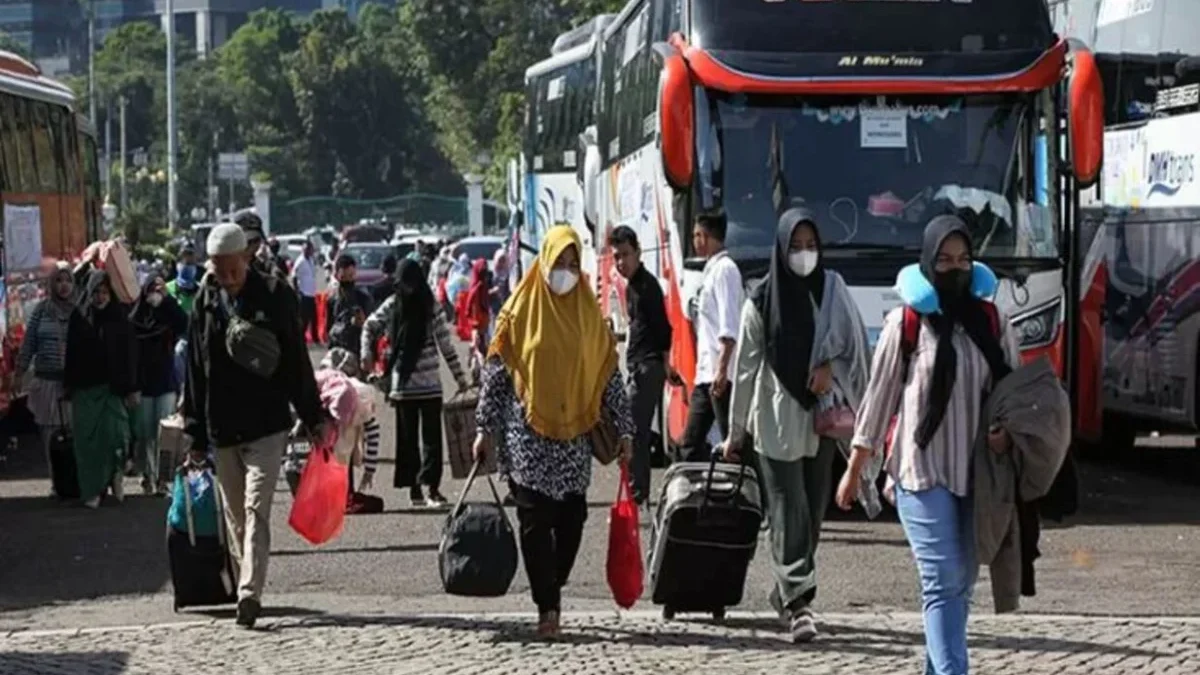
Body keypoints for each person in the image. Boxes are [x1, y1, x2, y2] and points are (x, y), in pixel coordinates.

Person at [838, 215, 1019, 675]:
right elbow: (878, 401)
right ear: (927, 262)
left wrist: (1009, 432)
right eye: (944, 260)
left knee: (961, 585)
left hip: (977, 473)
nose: (954, 269)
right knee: (940, 582)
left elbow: (1014, 394)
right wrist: (855, 467)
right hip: (920, 471)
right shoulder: (907, 323)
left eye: (963, 260)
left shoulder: (994, 323)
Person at [473, 225, 634, 637]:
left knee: (572, 521)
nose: (563, 272)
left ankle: (552, 584)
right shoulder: (518, 311)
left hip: (574, 439)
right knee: (534, 521)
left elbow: (609, 376)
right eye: (557, 263)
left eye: (571, 264)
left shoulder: (589, 317)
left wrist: (627, 431)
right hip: (526, 435)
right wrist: (484, 428)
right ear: (542, 261)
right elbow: (496, 375)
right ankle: (548, 606)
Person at [721, 208, 870, 643]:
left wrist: (827, 365)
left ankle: (786, 591)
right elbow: (745, 374)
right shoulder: (760, 302)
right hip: (773, 421)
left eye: (811, 246)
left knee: (812, 513)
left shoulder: (832, 290)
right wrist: (735, 433)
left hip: (819, 419)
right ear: (781, 249)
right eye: (796, 247)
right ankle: (800, 604)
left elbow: (854, 345)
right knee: (787, 513)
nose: (804, 255)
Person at [184, 224, 327, 628]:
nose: (227, 278)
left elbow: (297, 359)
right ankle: (248, 576)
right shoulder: (204, 302)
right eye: (219, 270)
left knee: (256, 506)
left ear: (246, 257)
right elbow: (195, 370)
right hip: (222, 426)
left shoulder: (275, 293)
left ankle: (249, 592)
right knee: (237, 517)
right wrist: (194, 433)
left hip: (267, 423)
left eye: (233, 269)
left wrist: (312, 416)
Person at [361, 259, 469, 508]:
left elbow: (445, 344)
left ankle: (433, 488)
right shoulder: (393, 305)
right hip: (404, 384)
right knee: (407, 441)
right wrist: (366, 352)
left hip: (430, 383)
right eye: (403, 284)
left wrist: (460, 378)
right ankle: (414, 489)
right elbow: (369, 325)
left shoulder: (431, 306)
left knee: (432, 440)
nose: (407, 289)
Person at [608, 225, 675, 507]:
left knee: (634, 431)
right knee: (634, 429)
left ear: (637, 252)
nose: (621, 262)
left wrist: (665, 365)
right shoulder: (634, 286)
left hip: (647, 368)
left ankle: (637, 495)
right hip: (639, 366)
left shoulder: (647, 287)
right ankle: (638, 493)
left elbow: (663, 330)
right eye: (616, 257)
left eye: (625, 254)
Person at [64, 270, 139, 508]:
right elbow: (72, 355)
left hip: (112, 389)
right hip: (85, 390)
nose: (100, 297)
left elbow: (129, 356)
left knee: (116, 437)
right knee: (88, 444)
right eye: (95, 292)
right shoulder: (79, 317)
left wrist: (132, 388)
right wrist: (68, 387)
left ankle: (115, 476)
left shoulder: (120, 318)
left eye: (105, 292)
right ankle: (92, 490)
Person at [681, 209, 743, 461]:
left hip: (721, 376)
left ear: (706, 237)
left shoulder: (725, 270)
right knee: (691, 443)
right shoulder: (711, 270)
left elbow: (729, 325)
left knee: (732, 445)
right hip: (706, 373)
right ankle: (699, 493)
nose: (695, 241)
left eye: (697, 235)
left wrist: (722, 368)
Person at [15, 262, 76, 496]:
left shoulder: (79, 311)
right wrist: (19, 371)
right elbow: (29, 342)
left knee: (74, 433)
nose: (63, 286)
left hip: (73, 385)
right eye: (59, 281)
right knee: (50, 436)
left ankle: (74, 480)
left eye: (68, 281)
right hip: (46, 382)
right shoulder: (42, 310)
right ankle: (56, 482)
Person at [130, 274, 189, 495]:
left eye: (159, 288)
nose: (155, 293)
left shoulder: (168, 314)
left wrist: (167, 299)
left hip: (165, 382)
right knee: (145, 434)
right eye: (151, 289)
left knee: (163, 435)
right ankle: (147, 475)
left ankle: (163, 480)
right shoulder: (137, 317)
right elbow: (131, 329)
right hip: (143, 385)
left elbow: (184, 323)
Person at [325, 255, 373, 353]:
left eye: (351, 276)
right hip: (337, 349)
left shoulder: (362, 298)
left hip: (357, 351)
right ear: (337, 276)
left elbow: (369, 327)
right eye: (344, 277)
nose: (348, 281)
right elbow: (329, 326)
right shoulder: (332, 299)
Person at [456, 258, 492, 374]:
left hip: (481, 321)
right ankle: (481, 371)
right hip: (479, 322)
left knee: (480, 346)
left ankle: (477, 369)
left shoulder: (480, 285)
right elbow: (471, 302)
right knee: (480, 347)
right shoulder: (479, 286)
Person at [292, 241, 320, 343]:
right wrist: (297, 291)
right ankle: (300, 338)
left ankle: (315, 338)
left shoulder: (311, 260)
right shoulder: (301, 261)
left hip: (311, 293)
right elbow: (294, 276)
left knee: (314, 317)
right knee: (304, 318)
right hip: (304, 293)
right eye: (308, 249)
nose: (310, 251)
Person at [167, 247, 200, 317]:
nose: (188, 266)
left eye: (191, 263)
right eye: (185, 263)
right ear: (177, 265)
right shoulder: (167, 289)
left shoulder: (201, 290)